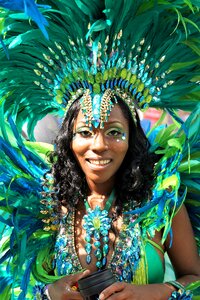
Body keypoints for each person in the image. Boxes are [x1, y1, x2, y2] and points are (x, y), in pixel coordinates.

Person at [0, 1, 199, 300]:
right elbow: (14, 284)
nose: (99, 145)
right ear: (68, 140)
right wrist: (48, 293)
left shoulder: (162, 201)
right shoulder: (43, 203)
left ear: (133, 139)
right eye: (85, 132)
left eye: (114, 132)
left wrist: (150, 293)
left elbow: (196, 279)